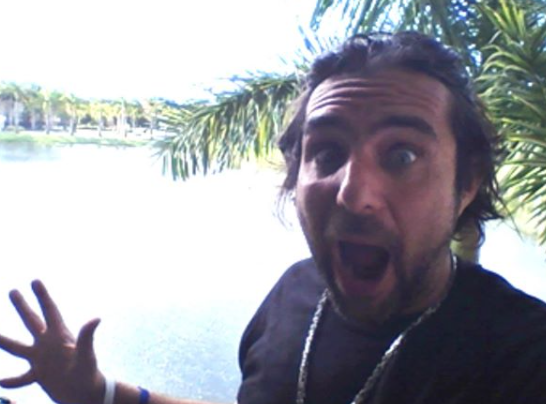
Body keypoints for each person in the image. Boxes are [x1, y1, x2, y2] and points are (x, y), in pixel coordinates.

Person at [0, 31, 545, 404]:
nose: (353, 194)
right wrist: (97, 393)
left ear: (466, 183)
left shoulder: (524, 356)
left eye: (401, 156)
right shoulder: (294, 294)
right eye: (326, 153)